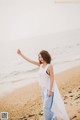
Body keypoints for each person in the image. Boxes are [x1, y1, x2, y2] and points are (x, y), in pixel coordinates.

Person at [17, 49, 69, 120]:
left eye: (41, 57)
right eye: (39, 57)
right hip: (43, 90)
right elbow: (30, 60)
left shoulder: (49, 66)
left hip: (49, 90)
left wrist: (50, 90)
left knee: (46, 107)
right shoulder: (40, 65)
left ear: (45, 56)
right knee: (50, 107)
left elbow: (52, 79)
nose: (40, 59)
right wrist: (21, 54)